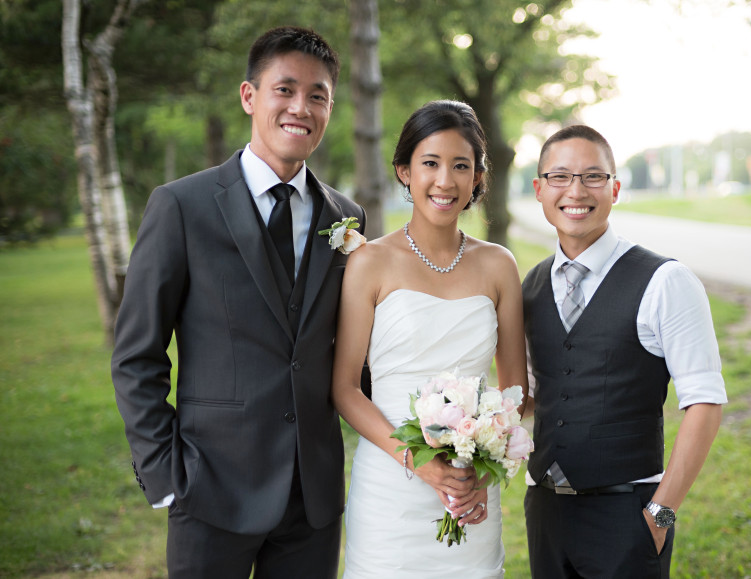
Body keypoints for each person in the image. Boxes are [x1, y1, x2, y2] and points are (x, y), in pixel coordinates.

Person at [111, 26, 366, 578]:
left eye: (317, 95)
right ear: (250, 96)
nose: (301, 108)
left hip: (313, 499)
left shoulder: (345, 218)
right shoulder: (181, 206)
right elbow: (137, 355)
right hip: (209, 491)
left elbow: (353, 350)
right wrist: (164, 475)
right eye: (285, 89)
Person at [330, 100, 528, 578]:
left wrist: (481, 475)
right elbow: (345, 389)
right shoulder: (369, 263)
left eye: (462, 166)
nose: (446, 181)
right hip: (390, 488)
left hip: (470, 492)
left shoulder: (499, 265)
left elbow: (516, 391)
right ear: (404, 171)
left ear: (478, 177)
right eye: (430, 164)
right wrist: (417, 462)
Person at [522, 125, 727, 578]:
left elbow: (705, 403)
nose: (576, 190)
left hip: (629, 514)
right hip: (545, 511)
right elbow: (541, 392)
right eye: (559, 177)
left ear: (615, 188)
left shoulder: (666, 281)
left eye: (593, 177)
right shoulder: (531, 286)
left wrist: (662, 516)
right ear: (539, 189)